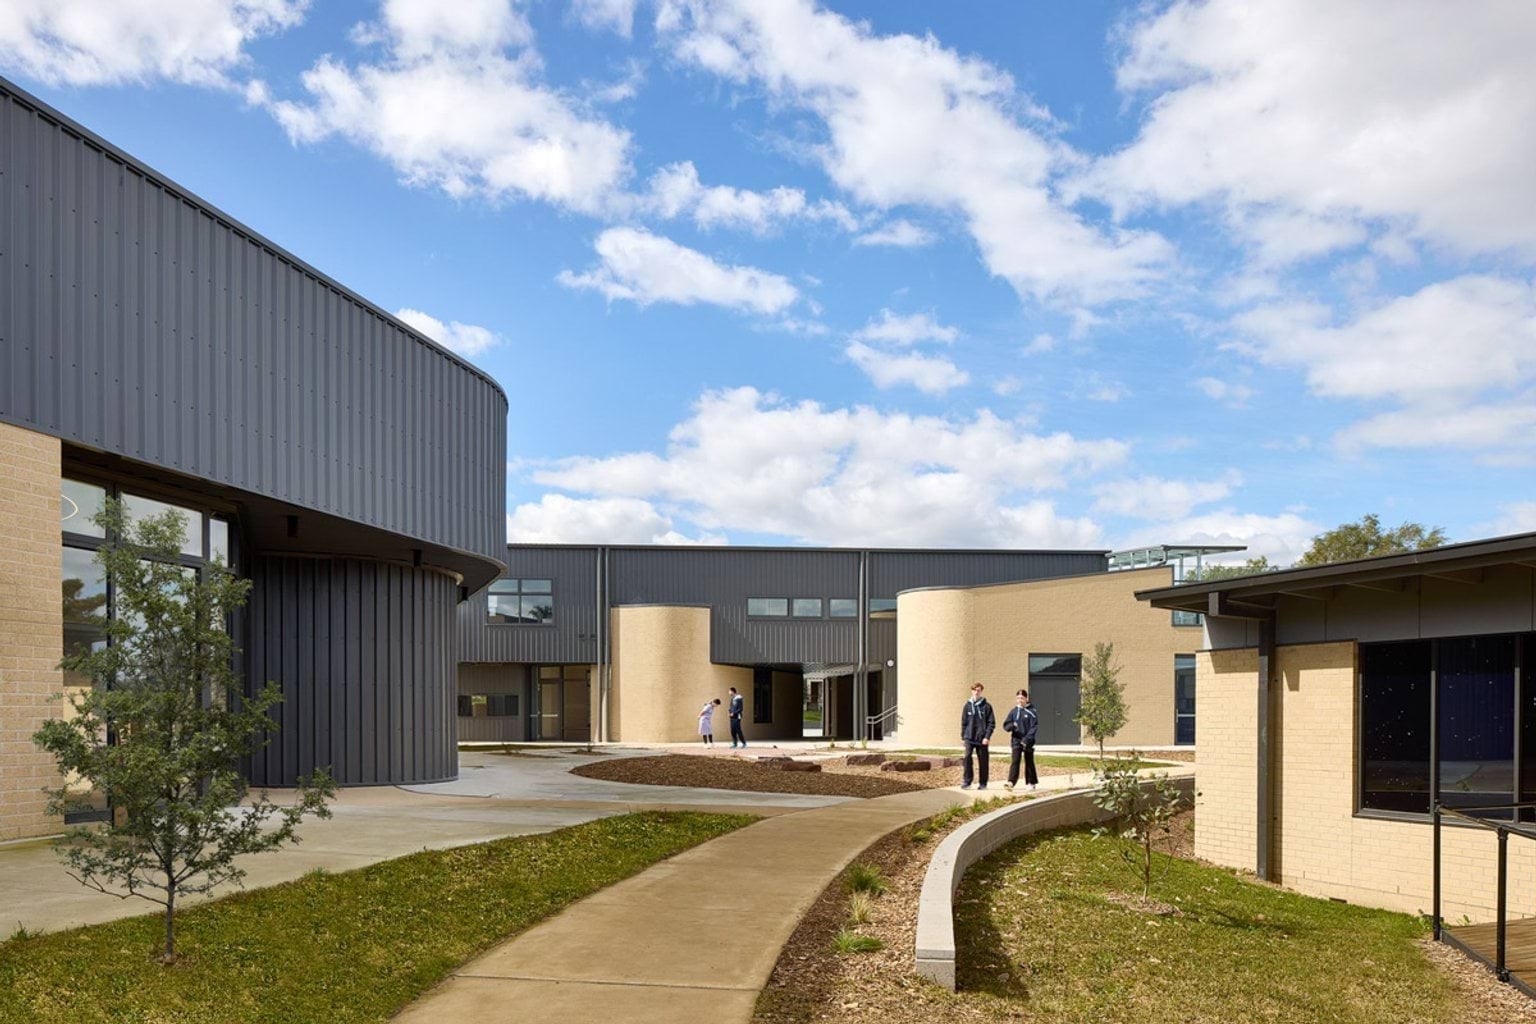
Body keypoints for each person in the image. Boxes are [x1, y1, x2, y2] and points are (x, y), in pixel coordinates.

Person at [959, 683, 995, 790]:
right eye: (974, 690)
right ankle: (967, 781)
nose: (976, 692)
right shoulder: (967, 706)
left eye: (978, 690)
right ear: (972, 691)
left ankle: (983, 783)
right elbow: (963, 722)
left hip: (982, 739)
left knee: (983, 761)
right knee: (967, 758)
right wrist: (963, 737)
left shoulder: (987, 706)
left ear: (981, 691)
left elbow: (991, 723)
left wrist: (987, 737)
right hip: (969, 737)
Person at [1002, 688, 1039, 791]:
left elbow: (1034, 727)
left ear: (1026, 699)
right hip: (1016, 740)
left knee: (1029, 761)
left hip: (1028, 741)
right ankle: (1011, 782)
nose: (1020, 700)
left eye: (1022, 698)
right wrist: (1012, 726)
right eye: (1018, 698)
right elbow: (1006, 725)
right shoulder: (1014, 711)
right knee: (1015, 761)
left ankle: (1031, 782)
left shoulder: (1032, 711)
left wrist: (1027, 739)